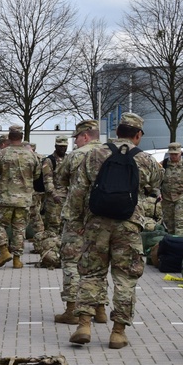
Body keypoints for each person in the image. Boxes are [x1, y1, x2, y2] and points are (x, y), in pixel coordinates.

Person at [67, 112, 162, 349]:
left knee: (90, 274)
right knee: (125, 277)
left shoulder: (95, 154)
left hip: (96, 222)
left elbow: (78, 190)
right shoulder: (146, 160)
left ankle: (84, 325)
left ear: (117, 132)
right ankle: (118, 332)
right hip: (128, 224)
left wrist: (77, 222)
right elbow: (155, 185)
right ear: (138, 135)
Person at [53, 120, 105, 325]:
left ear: (84, 136)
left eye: (76, 137)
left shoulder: (75, 156)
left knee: (71, 262)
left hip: (77, 217)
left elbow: (61, 179)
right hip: (102, 218)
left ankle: (72, 309)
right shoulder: (109, 153)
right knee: (99, 264)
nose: (74, 141)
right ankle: (100, 308)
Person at [0, 125, 41, 269]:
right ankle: (17, 260)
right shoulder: (32, 155)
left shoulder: (1, 154)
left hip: (4, 198)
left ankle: (4, 251)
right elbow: (36, 175)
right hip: (24, 199)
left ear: (9, 138)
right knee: (19, 228)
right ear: (21, 138)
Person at [36, 136, 69, 267]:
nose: (63, 148)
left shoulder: (69, 159)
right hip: (54, 199)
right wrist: (54, 194)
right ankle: (51, 254)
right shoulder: (49, 161)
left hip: (67, 198)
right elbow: (47, 180)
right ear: (55, 146)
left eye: (65, 146)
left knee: (65, 227)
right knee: (53, 227)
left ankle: (63, 255)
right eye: (60, 146)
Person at [162, 143, 183, 233]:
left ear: (180, 153)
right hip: (167, 198)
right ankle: (171, 244)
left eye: (176, 154)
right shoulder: (165, 163)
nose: (173, 156)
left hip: (180, 197)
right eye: (171, 154)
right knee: (168, 223)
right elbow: (157, 179)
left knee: (180, 223)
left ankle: (179, 244)